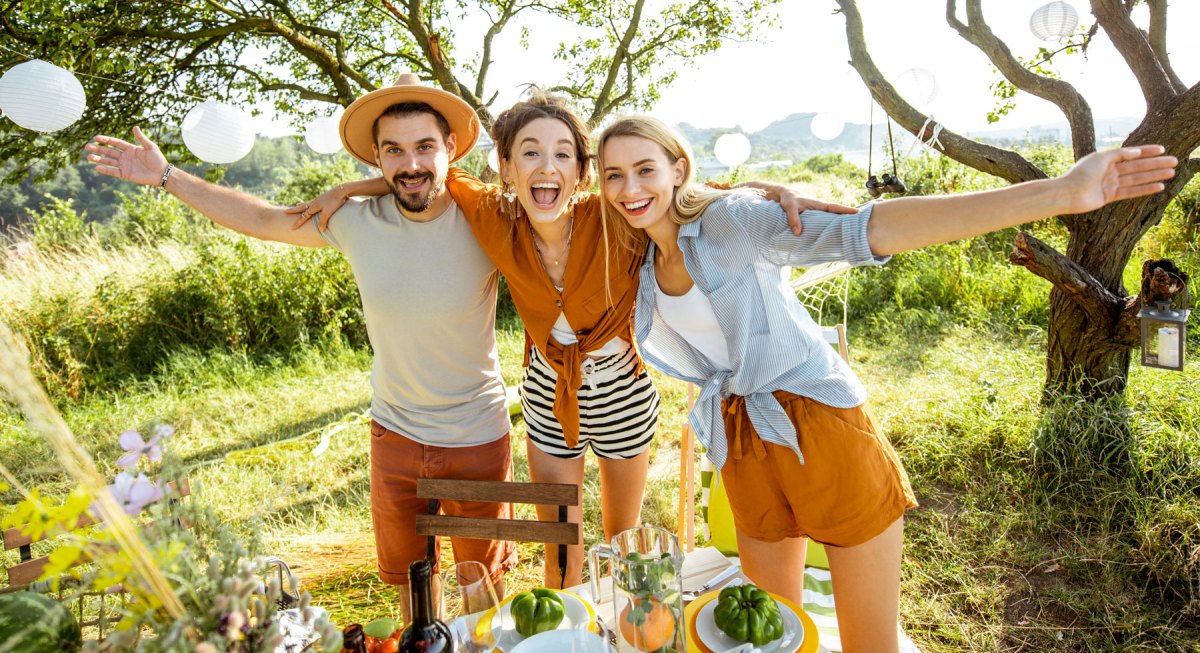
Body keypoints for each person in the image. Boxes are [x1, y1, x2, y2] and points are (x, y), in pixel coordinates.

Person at [594, 115, 1177, 652]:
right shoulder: (643, 262)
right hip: (742, 431)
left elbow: (868, 230)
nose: (629, 188)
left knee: (869, 643)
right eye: (613, 174)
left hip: (818, 420)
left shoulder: (729, 222)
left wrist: (1058, 193)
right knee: (768, 634)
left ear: (677, 169)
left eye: (645, 169)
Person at [292, 87, 857, 588]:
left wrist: (770, 188)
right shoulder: (493, 214)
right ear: (506, 166)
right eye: (530, 153)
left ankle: (625, 628)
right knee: (560, 540)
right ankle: (567, 631)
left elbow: (682, 193)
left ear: (583, 170)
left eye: (563, 154)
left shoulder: (613, 215)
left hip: (623, 392)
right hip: (547, 394)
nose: (547, 167)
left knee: (622, 535)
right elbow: (423, 172)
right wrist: (351, 186)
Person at [83, 77, 518, 621]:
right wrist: (166, 176)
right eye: (394, 150)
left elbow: (549, 193)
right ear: (376, 158)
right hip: (396, 437)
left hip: (476, 436)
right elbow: (264, 218)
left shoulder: (486, 220)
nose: (410, 164)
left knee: (482, 591)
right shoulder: (355, 221)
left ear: (450, 148)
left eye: (424, 146)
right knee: (413, 592)